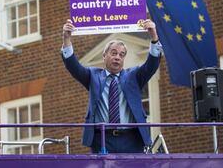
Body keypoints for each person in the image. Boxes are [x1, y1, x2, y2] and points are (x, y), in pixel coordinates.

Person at [61, 19, 163, 153]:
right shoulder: (93, 76)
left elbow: (152, 64)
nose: (117, 57)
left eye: (121, 55)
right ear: (104, 56)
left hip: (131, 139)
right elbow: (73, 66)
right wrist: (66, 38)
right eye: (113, 53)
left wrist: (154, 37)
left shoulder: (134, 76)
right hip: (102, 139)